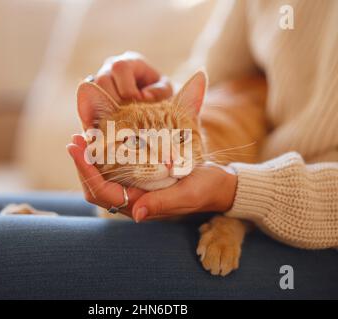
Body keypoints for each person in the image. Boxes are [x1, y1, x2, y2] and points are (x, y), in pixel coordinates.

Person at [68, 0, 338, 249]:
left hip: (313, 236)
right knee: (28, 219)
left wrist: (234, 192)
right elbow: (208, 77)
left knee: (29, 247)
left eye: (179, 139)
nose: (168, 160)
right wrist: (156, 91)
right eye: (138, 142)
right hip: (237, 165)